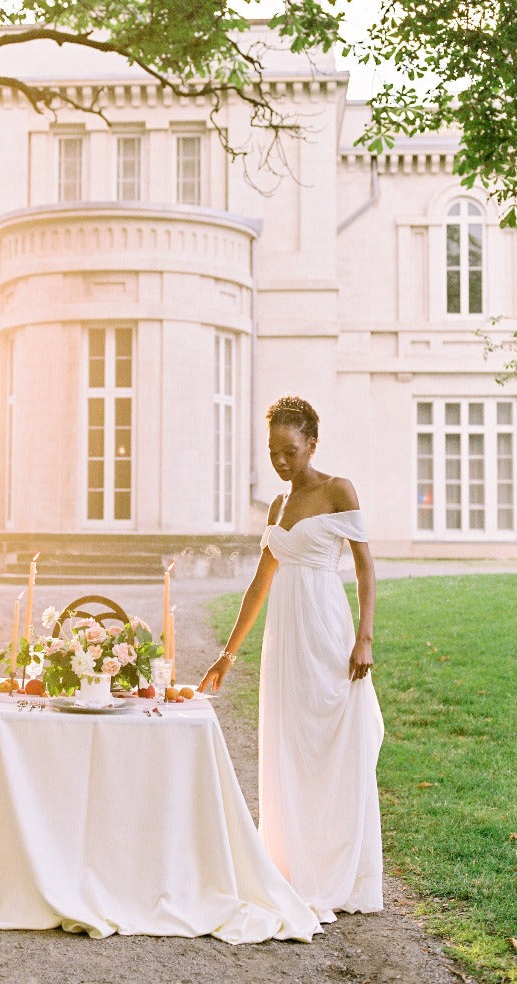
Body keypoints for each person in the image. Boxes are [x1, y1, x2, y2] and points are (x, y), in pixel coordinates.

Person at [199, 395, 384, 922]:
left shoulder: (337, 490)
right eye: (273, 452)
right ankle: (292, 867)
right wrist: (227, 654)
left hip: (327, 628)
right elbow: (260, 583)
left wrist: (365, 636)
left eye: (290, 450)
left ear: (311, 445)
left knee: (331, 743)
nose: (281, 461)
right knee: (289, 743)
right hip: (285, 638)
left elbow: (366, 568)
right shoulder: (278, 508)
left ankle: (336, 870)